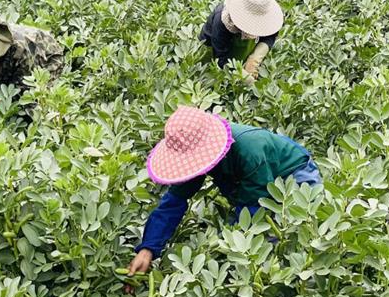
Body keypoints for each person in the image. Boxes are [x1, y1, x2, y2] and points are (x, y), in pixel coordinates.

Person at [126, 106, 321, 283]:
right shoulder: (194, 151)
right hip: (252, 180)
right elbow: (173, 202)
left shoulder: (250, 149)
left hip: (294, 174)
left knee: (287, 239)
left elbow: (253, 209)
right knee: (234, 244)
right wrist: (148, 249)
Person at [199, 0, 283, 83]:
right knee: (214, 75)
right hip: (213, 48)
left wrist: (255, 59)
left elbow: (271, 33)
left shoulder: (264, 11)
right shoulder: (222, 21)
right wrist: (245, 78)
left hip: (241, 49)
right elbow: (220, 59)